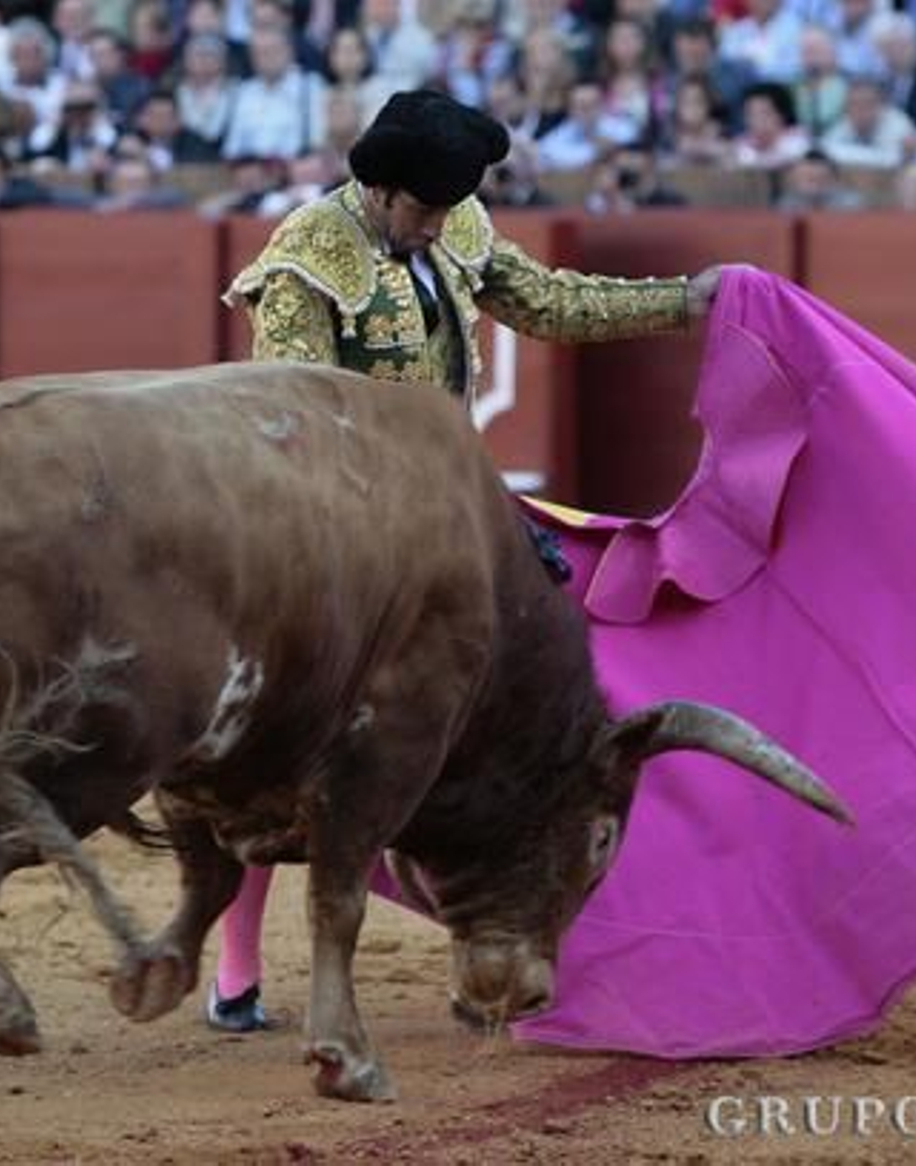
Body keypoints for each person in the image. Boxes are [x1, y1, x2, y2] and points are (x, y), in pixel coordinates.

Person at [213, 88, 721, 1032]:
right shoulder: (305, 268)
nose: (441, 225)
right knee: (288, 760)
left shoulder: (455, 224)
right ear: (380, 189)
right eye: (426, 210)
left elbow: (547, 301)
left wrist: (680, 304)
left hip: (453, 523)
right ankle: (237, 970)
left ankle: (543, 921)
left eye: (451, 210)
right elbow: (286, 424)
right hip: (346, 544)